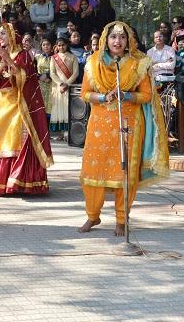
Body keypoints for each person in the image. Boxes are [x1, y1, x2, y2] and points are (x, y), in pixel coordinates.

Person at [78, 22, 169, 236]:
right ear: (105, 40)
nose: (117, 41)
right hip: (99, 125)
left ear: (128, 41)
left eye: (122, 37)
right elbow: (84, 93)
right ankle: (92, 216)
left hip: (128, 124)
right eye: (113, 37)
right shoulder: (93, 63)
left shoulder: (138, 64)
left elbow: (147, 96)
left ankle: (121, 219)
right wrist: (102, 97)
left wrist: (126, 95)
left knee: (124, 173)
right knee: (93, 171)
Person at [0, 23, 53, 196]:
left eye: (5, 34)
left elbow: (24, 78)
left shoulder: (23, 55)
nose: (1, 37)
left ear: (12, 35)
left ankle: (19, 181)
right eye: (0, 34)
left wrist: (9, 60)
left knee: (18, 138)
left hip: (19, 103)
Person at [49, 37, 79, 137]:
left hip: (69, 87)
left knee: (68, 109)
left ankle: (68, 133)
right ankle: (60, 133)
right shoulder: (54, 58)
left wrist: (67, 84)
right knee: (58, 108)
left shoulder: (73, 57)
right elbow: (52, 73)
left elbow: (76, 73)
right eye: (59, 45)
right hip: (58, 88)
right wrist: (60, 84)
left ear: (67, 45)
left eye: (63, 45)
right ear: (56, 46)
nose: (61, 47)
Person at [35, 37, 54, 121]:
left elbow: (57, 71)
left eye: (48, 45)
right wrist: (39, 76)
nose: (46, 46)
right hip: (40, 85)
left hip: (52, 84)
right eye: (44, 45)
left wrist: (48, 75)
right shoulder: (37, 57)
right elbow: (32, 70)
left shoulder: (55, 57)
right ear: (41, 46)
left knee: (50, 104)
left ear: (51, 46)